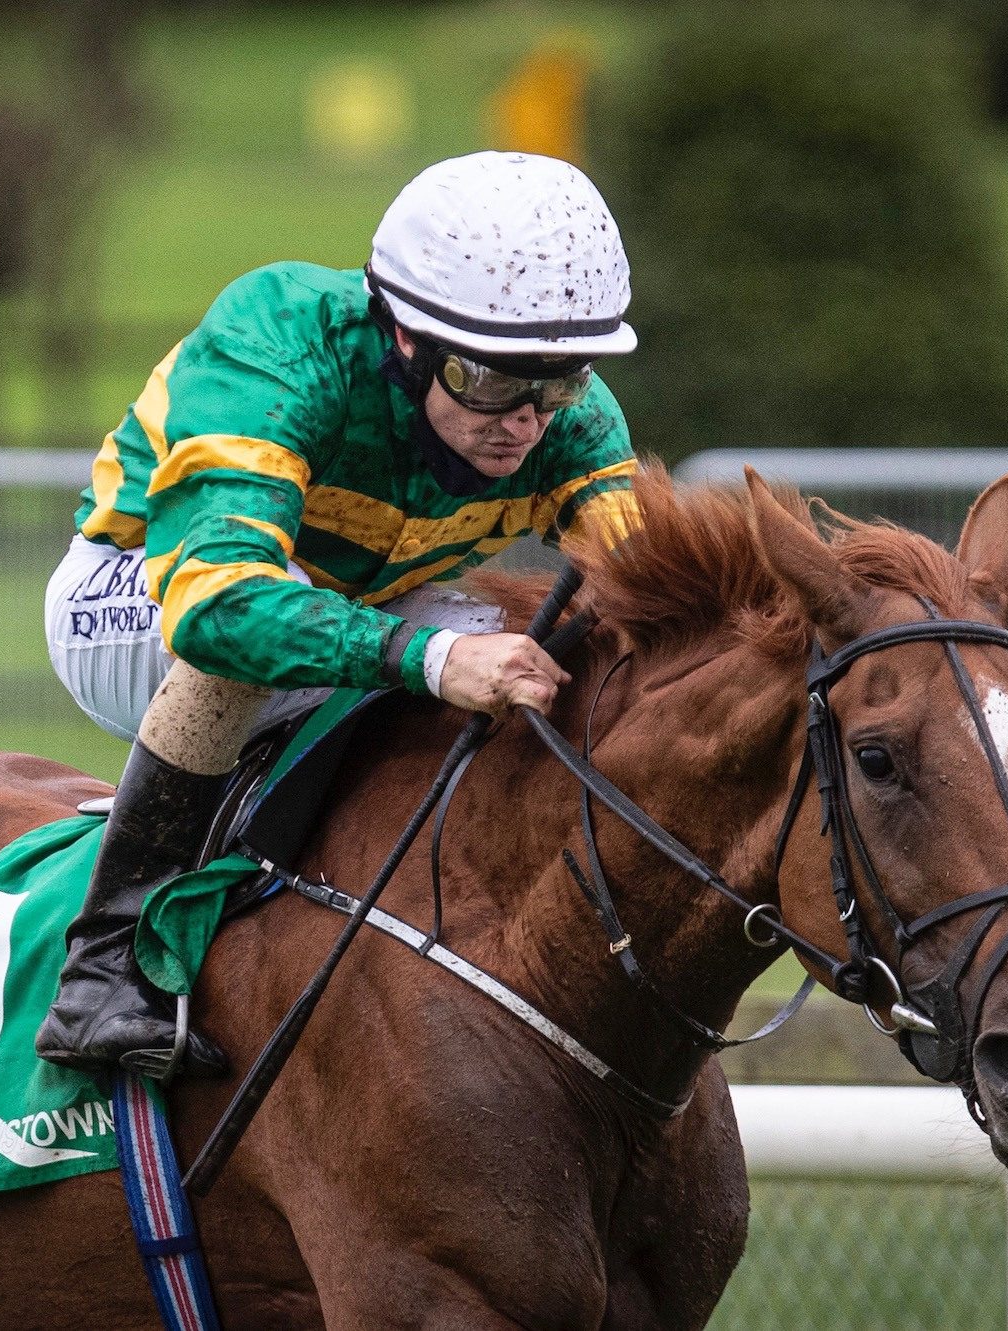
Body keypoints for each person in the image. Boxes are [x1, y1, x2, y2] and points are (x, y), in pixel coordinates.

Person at [36, 150, 642, 1078]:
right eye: (490, 381)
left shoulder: (572, 421)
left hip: (348, 598)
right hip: (138, 596)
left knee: (536, 652)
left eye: (557, 383)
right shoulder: (277, 343)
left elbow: (653, 590)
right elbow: (220, 605)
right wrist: (431, 660)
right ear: (405, 337)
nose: (523, 422)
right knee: (279, 638)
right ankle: (105, 968)